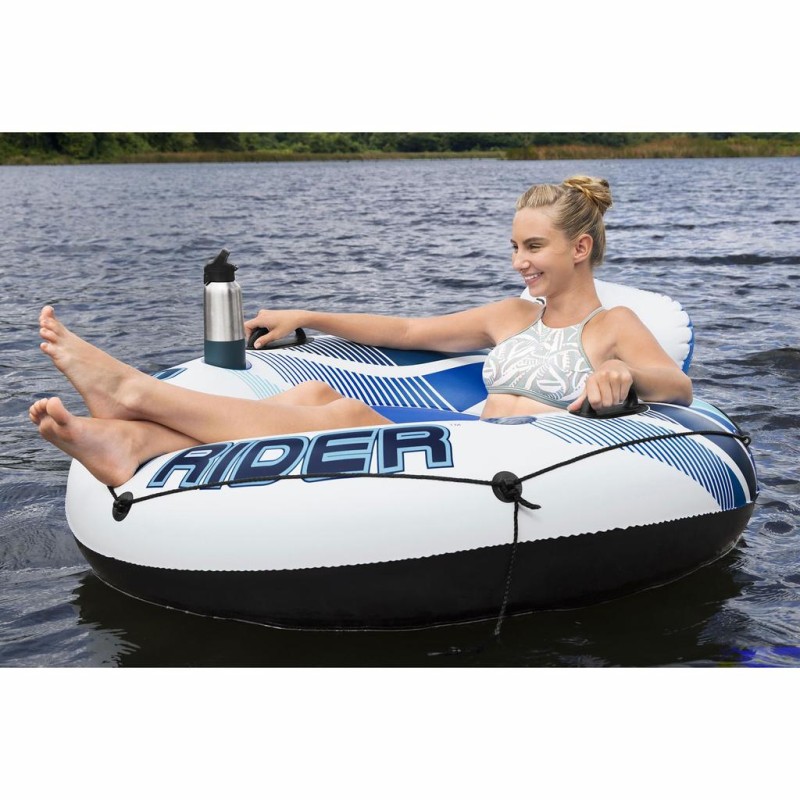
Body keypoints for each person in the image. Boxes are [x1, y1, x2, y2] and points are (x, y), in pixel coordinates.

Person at [30, 175, 692, 488]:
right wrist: (307, 316)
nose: (519, 260)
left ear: (580, 248)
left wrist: (623, 375)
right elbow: (408, 328)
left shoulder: (613, 324)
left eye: (534, 247)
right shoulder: (513, 315)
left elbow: (677, 386)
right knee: (316, 394)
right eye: (515, 245)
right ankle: (133, 440)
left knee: (343, 412)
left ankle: (135, 394)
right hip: (471, 438)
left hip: (528, 460)